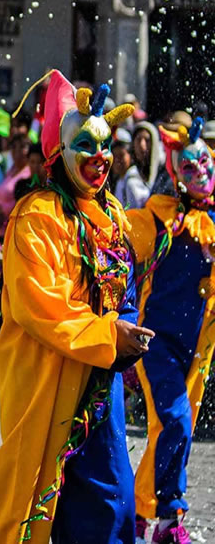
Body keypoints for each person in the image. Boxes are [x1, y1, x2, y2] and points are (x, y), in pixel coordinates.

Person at [0, 72, 153, 544]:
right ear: (58, 151)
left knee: (108, 496)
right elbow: (42, 304)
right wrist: (108, 335)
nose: (100, 157)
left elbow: (126, 291)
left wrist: (127, 330)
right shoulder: (37, 215)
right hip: (47, 379)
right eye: (85, 145)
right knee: (30, 497)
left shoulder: (112, 214)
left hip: (100, 378)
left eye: (104, 146)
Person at [127, 117, 214, 544]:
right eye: (191, 164)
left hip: (199, 345)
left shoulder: (213, 220)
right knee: (176, 420)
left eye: (206, 162)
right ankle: (168, 515)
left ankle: (147, 514)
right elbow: (119, 240)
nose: (200, 171)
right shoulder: (159, 218)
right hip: (156, 342)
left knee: (175, 426)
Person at [113, 128, 150, 209]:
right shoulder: (120, 181)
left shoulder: (132, 181)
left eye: (121, 155)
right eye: (114, 157)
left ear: (131, 156)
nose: (117, 161)